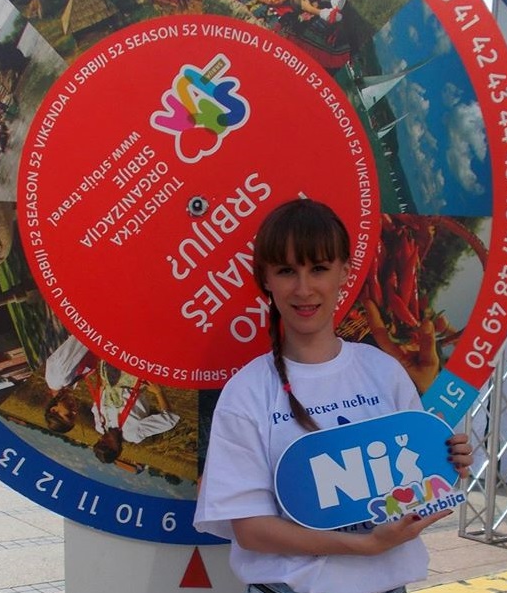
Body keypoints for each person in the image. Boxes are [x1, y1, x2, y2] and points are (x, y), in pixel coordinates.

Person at [194, 198, 472, 593]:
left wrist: (444, 466)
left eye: (319, 269)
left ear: (345, 271)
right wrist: (366, 546)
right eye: (287, 271)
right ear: (266, 279)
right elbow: (251, 529)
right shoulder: (247, 392)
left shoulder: (384, 371)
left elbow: (418, 496)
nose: (304, 289)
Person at [88, 361, 180, 463]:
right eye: (106, 444)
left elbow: (97, 405)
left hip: (108, 374)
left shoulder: (100, 427)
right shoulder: (133, 433)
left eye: (99, 441)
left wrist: (102, 385)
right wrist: (158, 392)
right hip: (133, 378)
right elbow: (169, 420)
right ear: (117, 448)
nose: (103, 438)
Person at [43, 334, 98, 433]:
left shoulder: (59, 378)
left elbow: (82, 341)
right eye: (74, 416)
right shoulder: (69, 385)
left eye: (69, 415)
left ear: (54, 409)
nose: (74, 412)